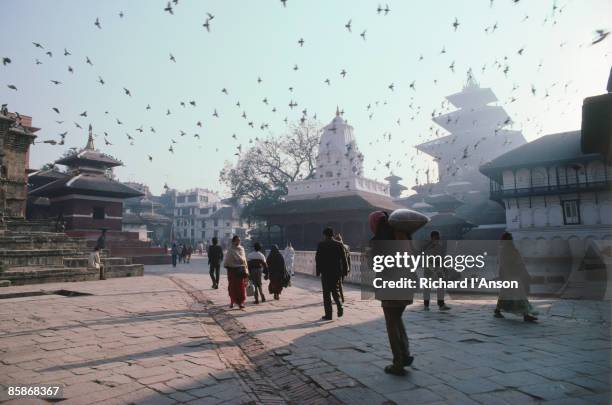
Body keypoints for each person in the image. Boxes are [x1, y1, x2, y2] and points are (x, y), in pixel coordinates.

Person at [369, 209, 428, 376]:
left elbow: (375, 265)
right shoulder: (403, 235)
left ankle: (398, 362)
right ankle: (405, 354)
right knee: (397, 319)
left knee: (392, 324)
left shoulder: (379, 241)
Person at [495, 232, 538, 322]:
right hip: (513, 275)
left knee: (505, 293)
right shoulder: (512, 250)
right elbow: (519, 263)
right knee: (519, 293)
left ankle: (498, 310)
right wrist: (525, 273)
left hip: (507, 275)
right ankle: (525, 314)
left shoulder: (502, 250)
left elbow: (501, 264)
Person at [315, 227, 348, 320]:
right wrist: (345, 271)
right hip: (336, 272)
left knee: (326, 294)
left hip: (325, 272)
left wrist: (318, 271)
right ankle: (340, 305)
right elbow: (344, 259)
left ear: (325, 235)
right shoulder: (339, 244)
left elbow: (318, 259)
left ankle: (329, 315)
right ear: (332, 234)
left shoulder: (321, 244)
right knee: (335, 290)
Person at [422, 230, 451, 311]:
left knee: (440, 286)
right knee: (427, 287)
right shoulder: (427, 245)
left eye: (438, 237)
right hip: (429, 267)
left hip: (438, 267)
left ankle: (441, 304)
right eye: (436, 237)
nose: (438, 238)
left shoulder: (440, 245)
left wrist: (444, 268)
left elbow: (442, 257)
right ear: (432, 237)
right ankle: (426, 305)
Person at [224, 235, 249, 309]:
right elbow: (227, 261)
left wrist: (246, 270)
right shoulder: (230, 250)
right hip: (232, 271)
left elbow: (244, 260)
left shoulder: (242, 249)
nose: (238, 241)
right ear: (233, 241)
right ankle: (232, 302)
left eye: (239, 240)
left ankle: (241, 303)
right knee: (232, 287)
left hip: (240, 271)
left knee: (241, 287)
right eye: (237, 240)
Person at [333, 234, 351, 303]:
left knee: (337, 284)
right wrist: (348, 267)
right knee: (341, 282)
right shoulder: (346, 246)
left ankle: (340, 298)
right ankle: (341, 297)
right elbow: (348, 259)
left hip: (337, 268)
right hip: (344, 267)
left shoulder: (336, 246)